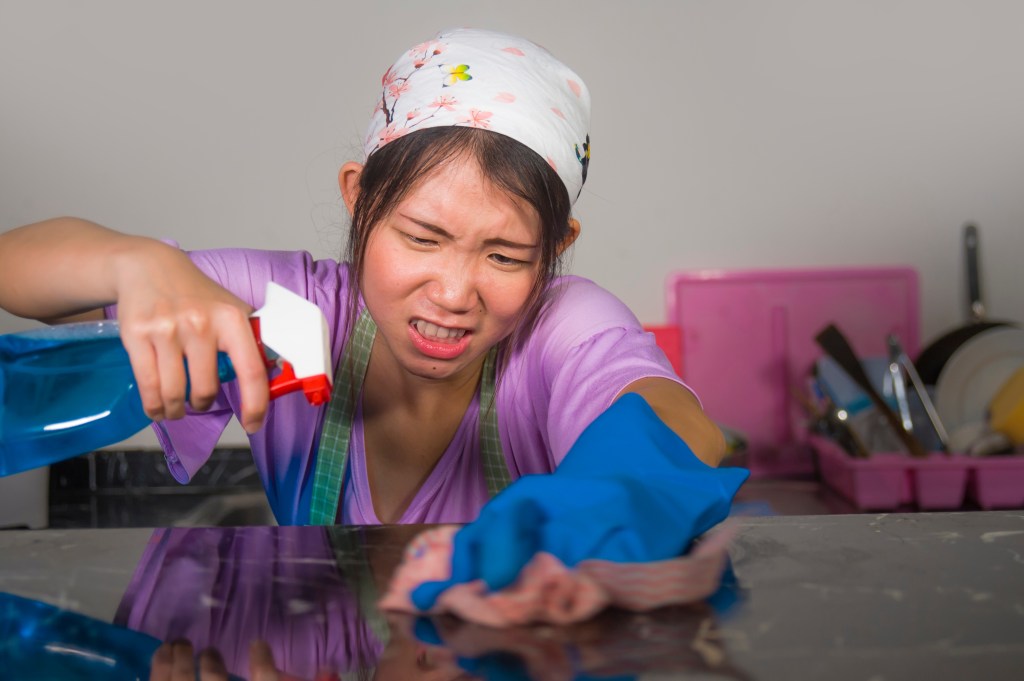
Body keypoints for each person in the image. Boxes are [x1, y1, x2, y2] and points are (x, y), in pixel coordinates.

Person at [0, 28, 745, 592]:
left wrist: (560, 531)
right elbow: (14, 271)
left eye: (506, 256)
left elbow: (677, 422)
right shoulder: (290, 317)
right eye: (422, 237)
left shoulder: (558, 329)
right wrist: (138, 263)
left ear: (555, 249)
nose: (454, 292)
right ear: (358, 195)